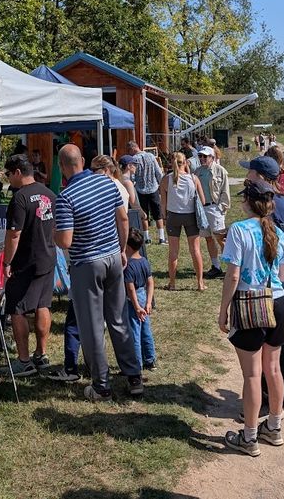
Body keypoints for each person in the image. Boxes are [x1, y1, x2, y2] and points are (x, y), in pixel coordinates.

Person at [54, 143, 142, 400]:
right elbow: (123, 219)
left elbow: (66, 241)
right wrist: (122, 249)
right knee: (118, 319)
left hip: (86, 263)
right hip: (114, 257)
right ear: (82, 160)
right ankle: (134, 375)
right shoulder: (107, 183)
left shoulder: (66, 197)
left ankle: (102, 385)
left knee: (92, 326)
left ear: (62, 167)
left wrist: (54, 234)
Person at [220, 179, 284, 456]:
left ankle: (249, 436)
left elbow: (234, 274)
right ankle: (273, 427)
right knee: (273, 368)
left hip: (250, 302)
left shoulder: (239, 230)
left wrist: (224, 308)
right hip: (278, 301)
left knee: (252, 374)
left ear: (248, 201)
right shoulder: (277, 230)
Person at [0, 155, 57, 377]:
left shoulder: (20, 198)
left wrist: (7, 262)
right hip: (47, 256)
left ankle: (24, 361)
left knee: (17, 308)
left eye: (8, 174)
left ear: (17, 172)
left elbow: (14, 234)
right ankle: (41, 354)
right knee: (43, 305)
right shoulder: (49, 193)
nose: (8, 179)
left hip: (26, 260)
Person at [160, 151, 207, 291]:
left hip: (173, 216)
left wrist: (163, 216)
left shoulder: (166, 179)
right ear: (185, 162)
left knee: (173, 251)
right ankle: (200, 283)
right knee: (195, 250)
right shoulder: (193, 178)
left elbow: (163, 203)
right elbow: (203, 201)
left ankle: (172, 283)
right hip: (191, 216)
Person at [123, 229, 156, 371]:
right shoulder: (144, 261)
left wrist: (136, 307)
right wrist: (148, 302)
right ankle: (150, 359)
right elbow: (150, 282)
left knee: (134, 333)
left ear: (127, 247)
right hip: (144, 297)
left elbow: (130, 289)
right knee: (146, 330)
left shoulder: (128, 266)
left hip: (133, 301)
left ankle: (136, 364)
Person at [195, 146, 230, 280]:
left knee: (221, 239)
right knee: (208, 238)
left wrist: (221, 208)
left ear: (212, 157)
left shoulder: (220, 171)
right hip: (202, 209)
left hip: (215, 208)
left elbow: (225, 192)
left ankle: (231, 266)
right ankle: (216, 266)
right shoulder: (198, 171)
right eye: (200, 156)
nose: (202, 159)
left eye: (205, 156)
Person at [127, 140, 165, 245]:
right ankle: (161, 238)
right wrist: (161, 186)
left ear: (133, 148)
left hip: (140, 190)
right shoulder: (151, 156)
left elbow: (132, 176)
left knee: (144, 214)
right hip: (153, 188)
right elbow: (158, 172)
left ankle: (147, 238)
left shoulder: (134, 160)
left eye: (129, 150)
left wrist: (132, 185)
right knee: (158, 214)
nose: (129, 153)